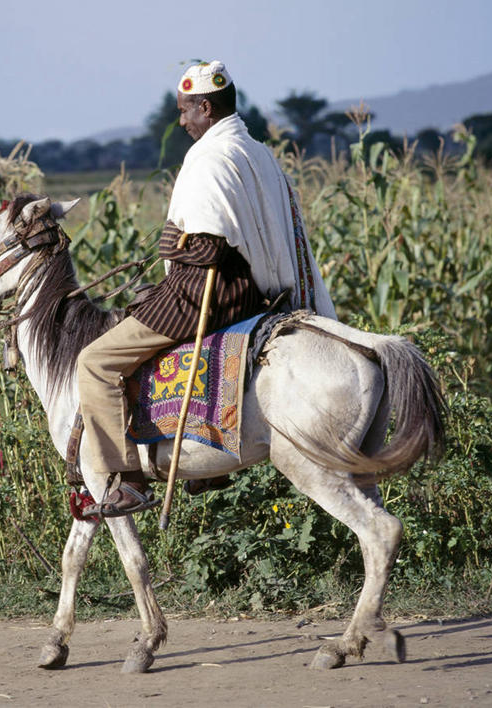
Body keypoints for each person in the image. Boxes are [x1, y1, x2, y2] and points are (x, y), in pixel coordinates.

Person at [76, 60, 335, 518]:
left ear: (206, 108)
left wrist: (170, 243)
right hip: (252, 294)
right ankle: (207, 460)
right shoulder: (258, 151)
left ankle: (127, 480)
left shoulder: (210, 157)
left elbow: (209, 248)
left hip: (203, 298)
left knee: (96, 362)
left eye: (184, 110)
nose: (181, 121)